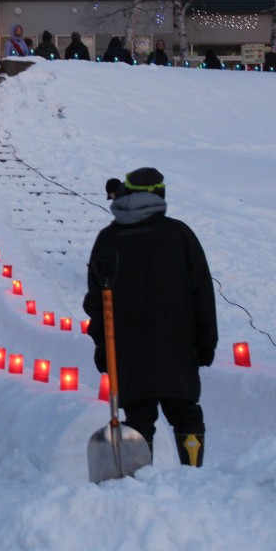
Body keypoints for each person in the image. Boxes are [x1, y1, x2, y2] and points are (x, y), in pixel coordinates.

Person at [82, 167, 217, 467]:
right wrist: (206, 340)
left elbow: (95, 302)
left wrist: (103, 346)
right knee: (185, 412)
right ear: (160, 195)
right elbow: (201, 293)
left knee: (139, 419)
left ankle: (141, 485)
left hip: (127, 350)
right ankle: (192, 474)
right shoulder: (179, 235)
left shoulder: (108, 239)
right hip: (177, 345)